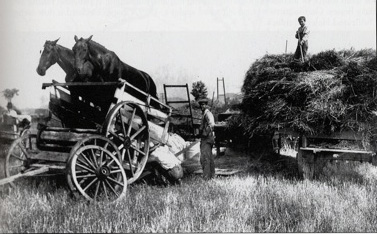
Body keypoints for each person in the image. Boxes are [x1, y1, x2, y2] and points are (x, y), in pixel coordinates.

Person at [198, 98, 216, 180]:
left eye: (203, 104)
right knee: (209, 158)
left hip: (207, 138)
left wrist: (205, 133)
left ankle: (206, 177)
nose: (202, 106)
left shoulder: (208, 114)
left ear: (206, 105)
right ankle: (212, 176)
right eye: (201, 105)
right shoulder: (204, 114)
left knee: (205, 158)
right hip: (207, 138)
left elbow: (211, 124)